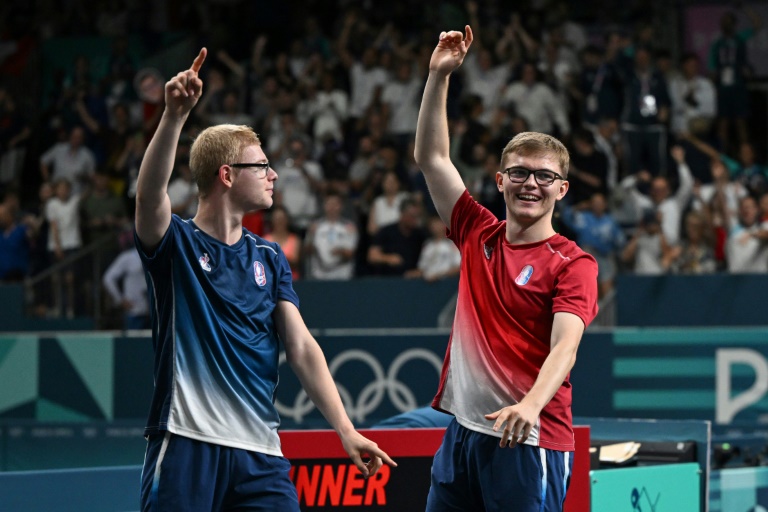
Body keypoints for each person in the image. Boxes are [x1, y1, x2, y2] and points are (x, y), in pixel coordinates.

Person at [134, 48, 394, 511]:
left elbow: (301, 348)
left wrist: (346, 429)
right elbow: (150, 193)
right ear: (227, 175)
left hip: (260, 452)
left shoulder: (269, 257)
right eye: (262, 167)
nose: (274, 175)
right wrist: (173, 117)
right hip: (187, 441)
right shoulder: (176, 244)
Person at [413, 27, 598, 512]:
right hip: (463, 435)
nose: (530, 184)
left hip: (529, 438)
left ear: (562, 189)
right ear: (500, 180)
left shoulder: (573, 264)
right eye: (518, 172)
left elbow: (566, 346)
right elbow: (431, 158)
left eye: (544, 176)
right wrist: (438, 77)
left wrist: (531, 404)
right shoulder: (477, 231)